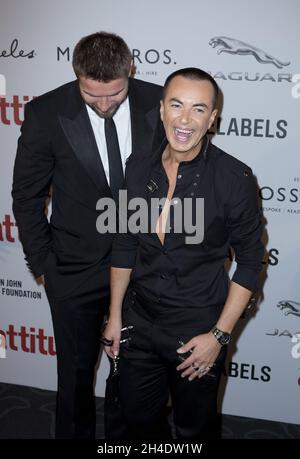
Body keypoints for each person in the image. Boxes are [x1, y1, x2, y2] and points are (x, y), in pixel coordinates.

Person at [12, 31, 164, 439]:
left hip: (143, 269)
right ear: (77, 74)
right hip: (73, 270)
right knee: (75, 378)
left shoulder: (161, 102)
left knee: (132, 377)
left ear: (129, 71)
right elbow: (26, 196)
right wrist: (46, 265)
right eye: (91, 94)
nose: (103, 105)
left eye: (113, 95)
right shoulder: (46, 112)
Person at [103, 67, 264, 439]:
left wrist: (219, 337)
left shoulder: (233, 179)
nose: (185, 119)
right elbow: (125, 243)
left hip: (197, 331)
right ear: (161, 110)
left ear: (212, 119)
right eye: (176, 105)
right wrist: (114, 315)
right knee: (138, 423)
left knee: (194, 430)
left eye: (198, 109)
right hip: (138, 323)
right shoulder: (138, 167)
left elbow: (251, 261)